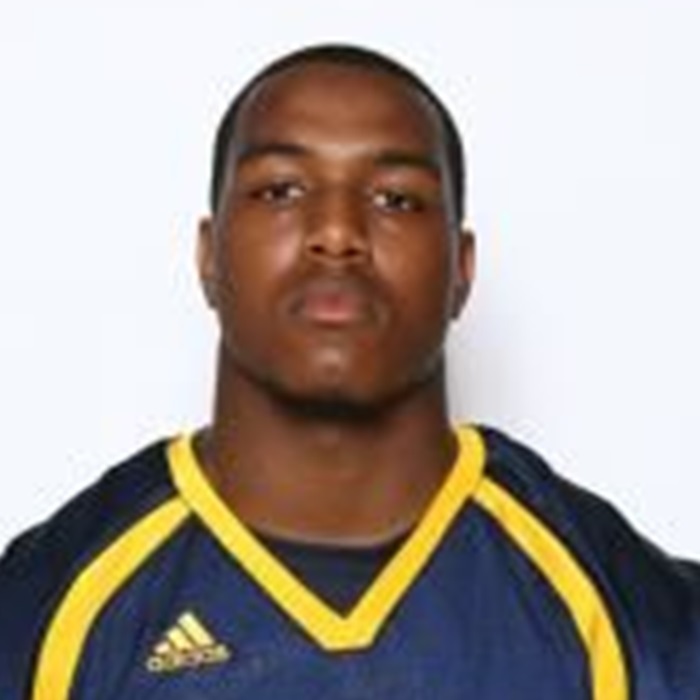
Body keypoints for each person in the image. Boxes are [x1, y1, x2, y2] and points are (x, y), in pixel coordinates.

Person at [0, 43, 698, 700]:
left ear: (462, 270)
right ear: (209, 256)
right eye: (280, 190)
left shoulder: (642, 626)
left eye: (397, 199)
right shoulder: (43, 613)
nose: (336, 233)